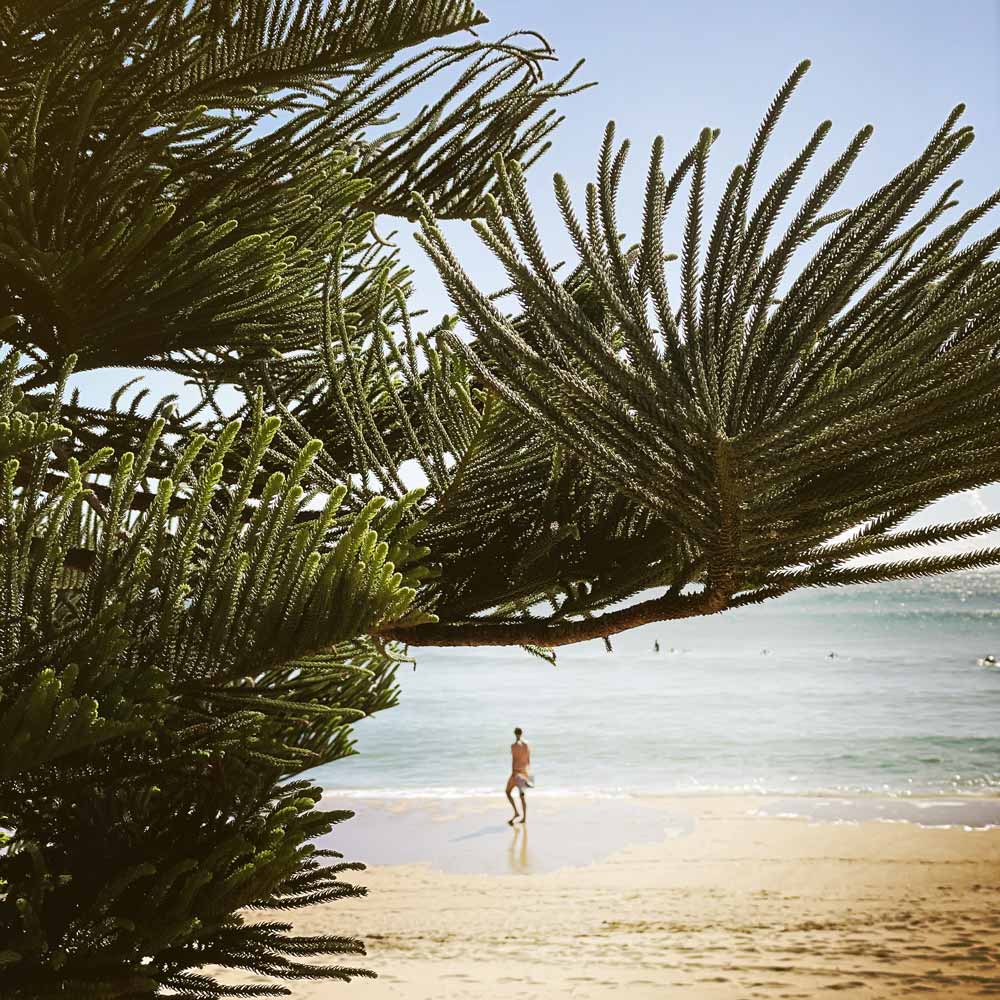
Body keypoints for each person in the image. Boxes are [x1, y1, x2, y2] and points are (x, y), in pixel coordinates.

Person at [505, 727, 532, 825]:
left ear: (514, 734)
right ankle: (524, 818)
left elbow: (514, 760)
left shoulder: (513, 746)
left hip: (516, 773)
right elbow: (528, 761)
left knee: (507, 792)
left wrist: (513, 773)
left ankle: (516, 812)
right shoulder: (527, 745)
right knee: (522, 797)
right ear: (522, 733)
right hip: (525, 773)